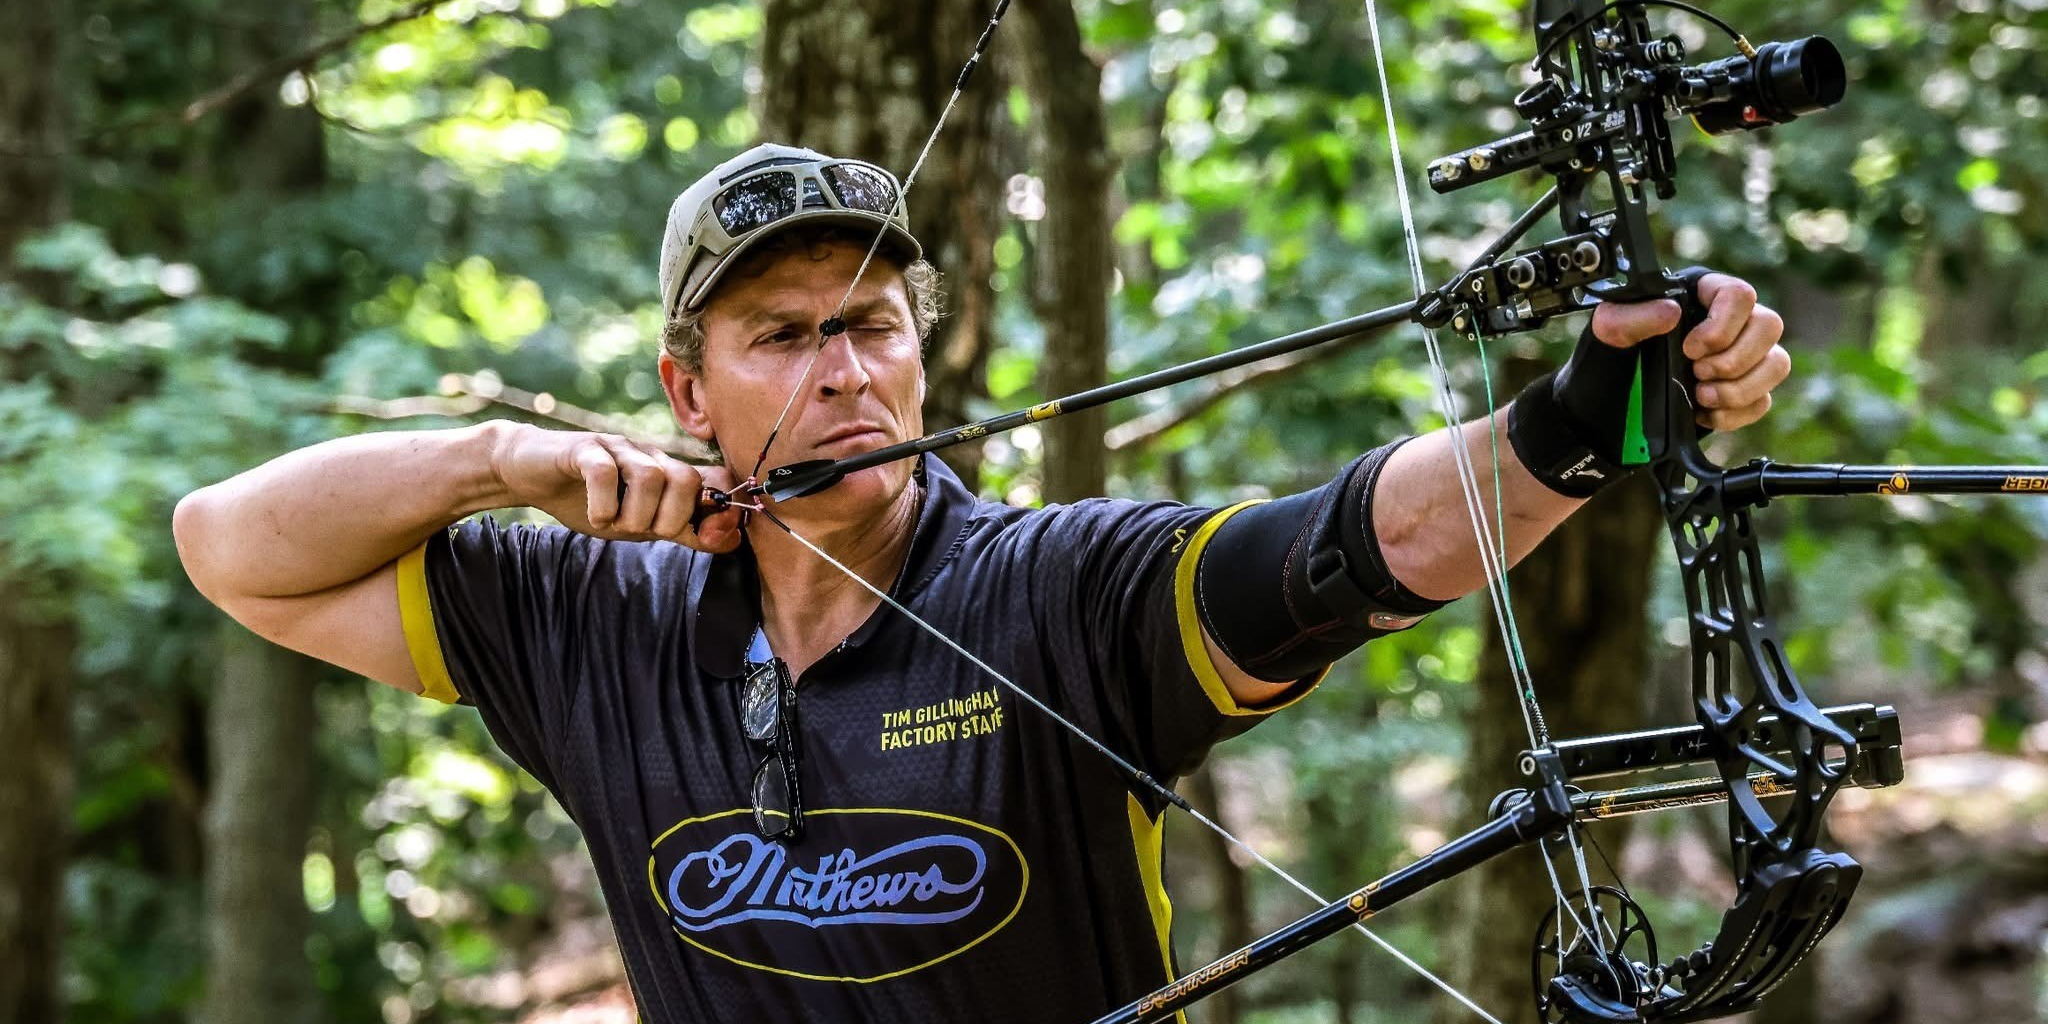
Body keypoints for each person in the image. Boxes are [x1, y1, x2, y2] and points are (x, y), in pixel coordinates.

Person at [173, 143, 1790, 1022]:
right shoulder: (584, 612)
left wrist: (1591, 415)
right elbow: (228, 550)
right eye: (783, 337)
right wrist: (493, 465)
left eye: (872, 326)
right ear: (689, 390)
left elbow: (1356, 545)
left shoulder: (1055, 591)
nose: (841, 373)